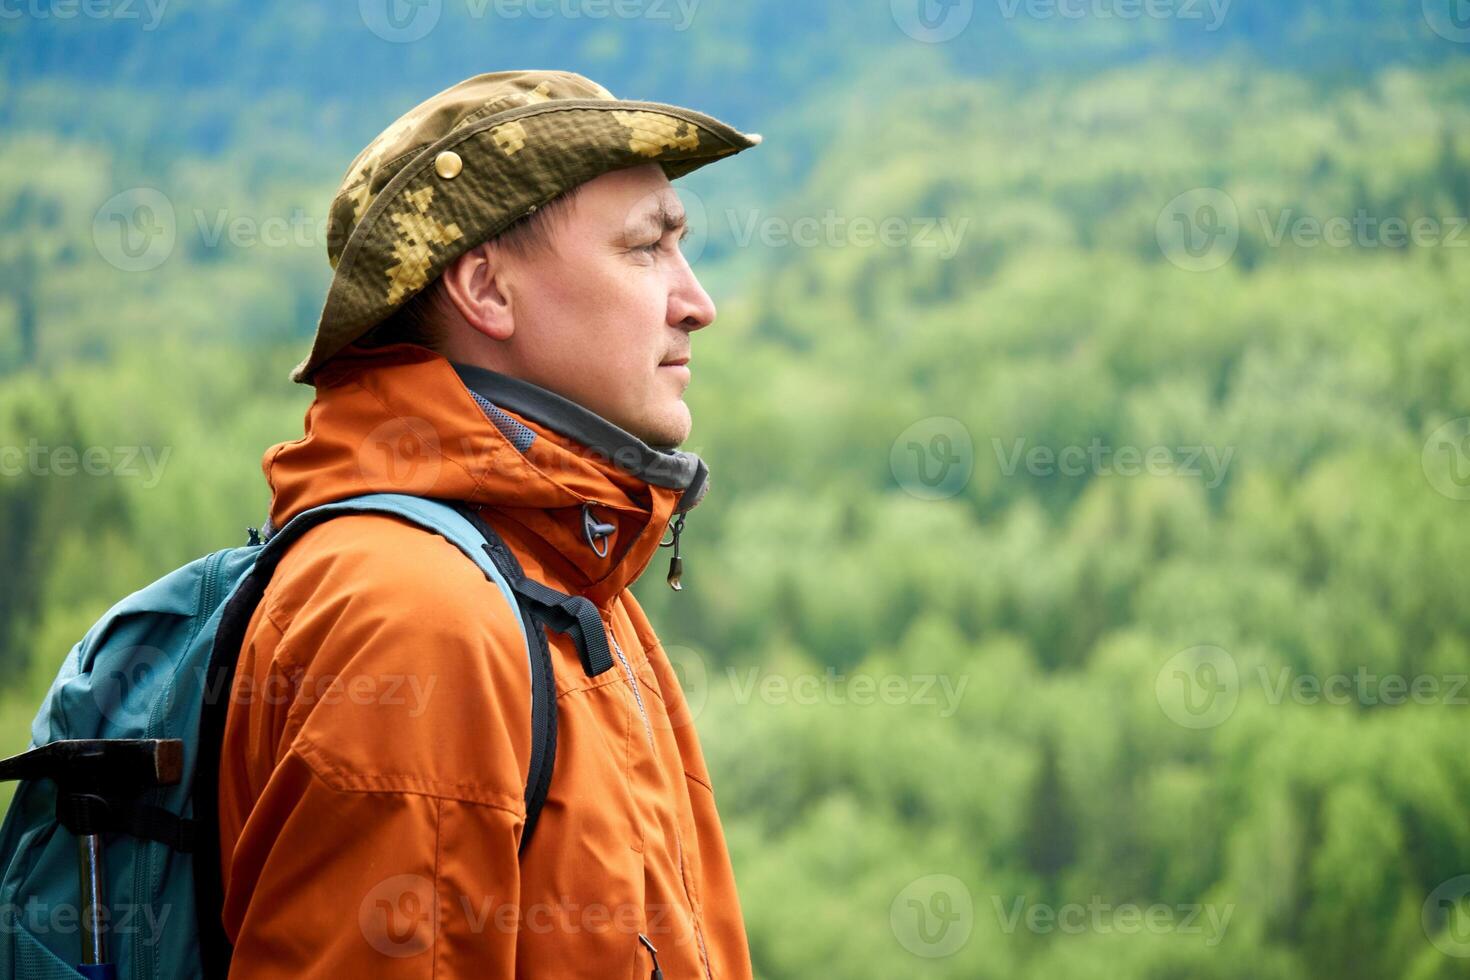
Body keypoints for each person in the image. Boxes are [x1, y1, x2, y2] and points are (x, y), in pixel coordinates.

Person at [215, 69, 763, 977]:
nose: (697, 302)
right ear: (487, 291)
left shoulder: (561, 584)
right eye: (644, 250)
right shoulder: (419, 618)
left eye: (682, 246)